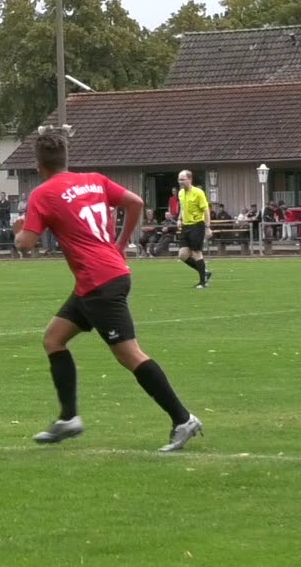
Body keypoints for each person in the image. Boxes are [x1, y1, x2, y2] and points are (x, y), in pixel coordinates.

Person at [12, 129, 201, 452]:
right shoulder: (94, 180)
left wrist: (18, 231)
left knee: (129, 354)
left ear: (39, 166)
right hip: (99, 278)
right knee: (54, 339)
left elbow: (26, 244)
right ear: (65, 159)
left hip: (99, 282)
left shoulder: (43, 194)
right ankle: (69, 418)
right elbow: (136, 202)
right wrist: (121, 242)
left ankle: (183, 419)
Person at [176, 170, 212, 289]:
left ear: (190, 179)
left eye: (183, 179)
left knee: (196, 253)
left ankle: (203, 282)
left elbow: (206, 210)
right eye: (179, 179)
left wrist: (207, 227)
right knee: (183, 254)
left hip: (197, 225)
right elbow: (182, 207)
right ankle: (205, 272)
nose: (180, 182)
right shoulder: (181, 193)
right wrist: (179, 219)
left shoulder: (198, 193)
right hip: (185, 226)